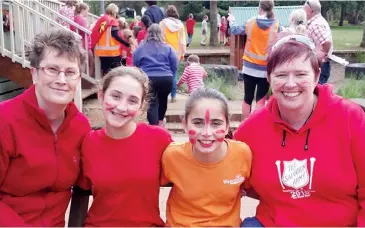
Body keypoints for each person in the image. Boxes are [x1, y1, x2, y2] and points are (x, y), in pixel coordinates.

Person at [233, 34, 365, 226]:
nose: (291, 83)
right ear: (268, 78)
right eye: (281, 75)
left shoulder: (350, 118)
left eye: (301, 74)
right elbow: (224, 172)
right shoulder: (251, 129)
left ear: (317, 76)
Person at [0, 29, 91, 226]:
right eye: (52, 69)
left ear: (78, 78)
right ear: (34, 74)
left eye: (70, 72)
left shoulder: (80, 127)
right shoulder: (4, 121)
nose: (61, 80)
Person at [77, 67, 172, 226]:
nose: (121, 107)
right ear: (101, 96)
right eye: (115, 96)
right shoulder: (88, 143)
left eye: (132, 101)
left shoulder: (159, 139)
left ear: (141, 107)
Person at [161, 88, 252, 226]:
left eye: (216, 123)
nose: (207, 133)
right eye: (197, 123)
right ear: (184, 124)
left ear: (227, 126)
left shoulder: (242, 154)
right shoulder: (172, 156)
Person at [230, 0, 280, 120]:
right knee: (260, 99)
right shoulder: (276, 25)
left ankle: (245, 123)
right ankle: (256, 124)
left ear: (260, 8)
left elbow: (234, 30)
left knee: (247, 97)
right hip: (265, 69)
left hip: (249, 67)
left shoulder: (250, 22)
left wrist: (231, 20)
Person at [133, 24, 178, 126]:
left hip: (148, 78)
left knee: (152, 103)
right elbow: (174, 65)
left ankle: (154, 126)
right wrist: (170, 73)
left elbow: (135, 62)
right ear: (161, 34)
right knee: (163, 100)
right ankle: (161, 121)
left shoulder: (142, 47)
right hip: (166, 78)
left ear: (147, 33)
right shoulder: (168, 48)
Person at [91, 3, 130, 75]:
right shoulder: (112, 21)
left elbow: (98, 33)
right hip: (113, 53)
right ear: (114, 11)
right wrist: (126, 44)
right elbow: (115, 35)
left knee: (105, 73)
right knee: (115, 74)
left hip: (102, 52)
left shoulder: (103, 20)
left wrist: (93, 46)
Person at [160, 5, 186, 103]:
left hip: (164, 53)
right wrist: (182, 54)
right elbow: (183, 41)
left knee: (163, 74)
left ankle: (164, 95)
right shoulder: (180, 26)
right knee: (174, 74)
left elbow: (160, 39)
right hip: (176, 53)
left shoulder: (162, 24)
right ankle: (173, 96)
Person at [304, 0, 333, 84]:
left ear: (311, 11)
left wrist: (322, 56)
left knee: (317, 91)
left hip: (320, 65)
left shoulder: (315, 25)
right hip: (322, 65)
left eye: (304, 9)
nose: (303, 12)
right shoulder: (319, 21)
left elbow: (327, 42)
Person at [72, 2, 95, 82]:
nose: (87, 13)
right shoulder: (81, 19)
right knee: (91, 63)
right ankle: (88, 81)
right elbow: (85, 31)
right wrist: (91, 27)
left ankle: (86, 80)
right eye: (87, 11)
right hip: (85, 45)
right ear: (83, 10)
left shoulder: (76, 18)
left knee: (87, 63)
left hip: (83, 44)